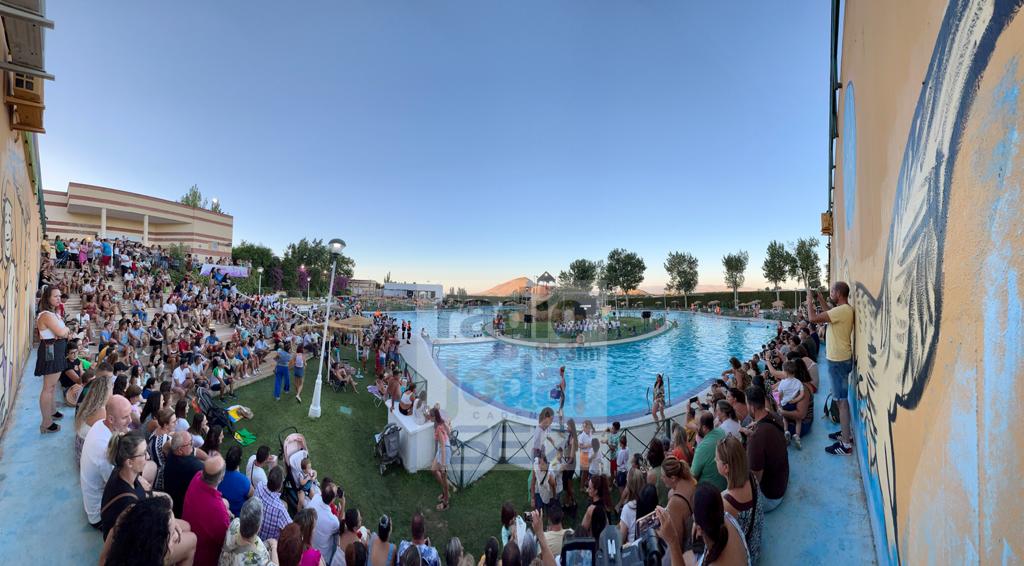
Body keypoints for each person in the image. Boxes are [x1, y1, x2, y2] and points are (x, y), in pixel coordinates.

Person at [807, 282, 856, 455]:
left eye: (832, 291)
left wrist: (809, 298)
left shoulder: (842, 311)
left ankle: (846, 445)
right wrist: (820, 298)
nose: (831, 293)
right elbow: (829, 311)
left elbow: (813, 318)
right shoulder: (843, 310)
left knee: (841, 402)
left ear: (839, 293)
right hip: (840, 360)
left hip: (838, 361)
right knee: (840, 400)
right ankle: (845, 434)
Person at [81, 395, 133, 528]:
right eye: (125, 417)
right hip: (99, 515)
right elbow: (118, 486)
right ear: (111, 419)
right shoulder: (105, 449)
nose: (130, 420)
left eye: (130, 415)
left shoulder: (101, 424)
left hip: (94, 501)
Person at [99, 496, 197, 566]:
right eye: (171, 536)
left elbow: (103, 559)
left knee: (186, 527)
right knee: (192, 538)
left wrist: (171, 523)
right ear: (156, 548)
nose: (176, 536)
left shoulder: (121, 541)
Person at [716, 436, 764, 564]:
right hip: (756, 546)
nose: (714, 460)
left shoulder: (725, 502)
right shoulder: (751, 477)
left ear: (726, 467)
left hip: (746, 557)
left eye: (717, 459)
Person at [744, 385, 789, 512]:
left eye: (747, 404)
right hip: (782, 482)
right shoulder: (776, 417)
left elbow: (755, 480)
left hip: (771, 497)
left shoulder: (756, 438)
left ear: (752, 407)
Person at [35, 285, 72, 433]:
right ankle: (46, 423)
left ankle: (52, 411)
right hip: (51, 351)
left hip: (56, 350)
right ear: (47, 298)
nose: (58, 298)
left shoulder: (53, 313)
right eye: (55, 296)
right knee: (48, 388)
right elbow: (62, 331)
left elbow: (62, 332)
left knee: (52, 386)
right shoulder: (46, 315)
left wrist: (63, 332)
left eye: (59, 296)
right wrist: (66, 331)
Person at [220, 497, 280, 566]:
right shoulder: (260, 557)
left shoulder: (235, 523)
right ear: (258, 528)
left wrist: (265, 543)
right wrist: (274, 546)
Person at [163, 431, 204, 518]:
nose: (192, 444)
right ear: (180, 450)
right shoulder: (193, 466)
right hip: (180, 510)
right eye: (190, 443)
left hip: (171, 499)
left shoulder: (172, 452)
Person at [690, 411, 728, 491]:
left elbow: (693, 475)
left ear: (704, 428)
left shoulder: (702, 448)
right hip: (725, 484)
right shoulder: (721, 432)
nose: (695, 427)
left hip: (710, 492)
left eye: (697, 425)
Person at [310, 478, 343, 563]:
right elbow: (340, 528)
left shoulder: (316, 497)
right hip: (322, 556)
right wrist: (343, 503)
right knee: (336, 538)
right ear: (332, 500)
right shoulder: (333, 521)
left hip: (310, 541)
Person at [256, 466, 293, 542]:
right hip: (269, 545)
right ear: (280, 486)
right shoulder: (280, 510)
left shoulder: (259, 486)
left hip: (255, 535)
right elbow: (292, 531)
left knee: (285, 504)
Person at [219, 445, 254, 517]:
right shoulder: (243, 481)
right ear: (240, 460)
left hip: (223, 510)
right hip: (238, 514)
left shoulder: (218, 473)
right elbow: (253, 494)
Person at [617, 468, 647, 544]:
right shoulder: (648, 502)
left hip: (633, 548)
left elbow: (621, 539)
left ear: (629, 485)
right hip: (647, 546)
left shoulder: (628, 508)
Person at [431, 407, 451, 511]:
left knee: (443, 475)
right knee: (433, 470)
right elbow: (449, 431)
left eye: (430, 416)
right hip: (442, 449)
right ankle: (445, 491)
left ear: (434, 417)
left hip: (444, 451)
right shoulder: (442, 421)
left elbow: (443, 446)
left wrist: (443, 465)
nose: (429, 418)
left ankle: (446, 501)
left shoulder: (439, 428)